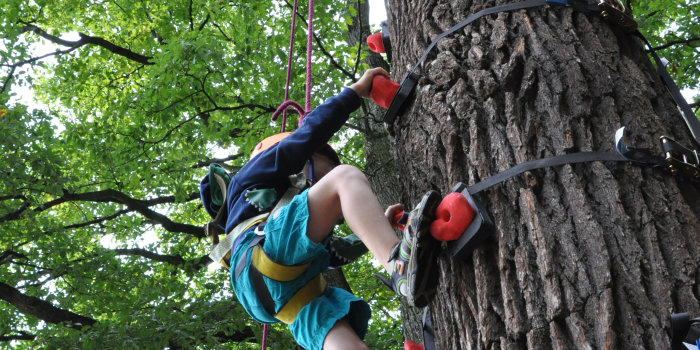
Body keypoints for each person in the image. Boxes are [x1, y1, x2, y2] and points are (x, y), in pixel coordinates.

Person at [199, 68, 441, 350]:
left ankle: (394, 259)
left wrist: (377, 229)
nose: (329, 172)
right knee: (346, 178)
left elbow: (333, 255)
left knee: (332, 330)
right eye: (327, 163)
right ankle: (397, 264)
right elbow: (307, 136)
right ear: (307, 158)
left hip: (270, 297)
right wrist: (355, 92)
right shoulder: (254, 174)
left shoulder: (289, 220)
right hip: (260, 255)